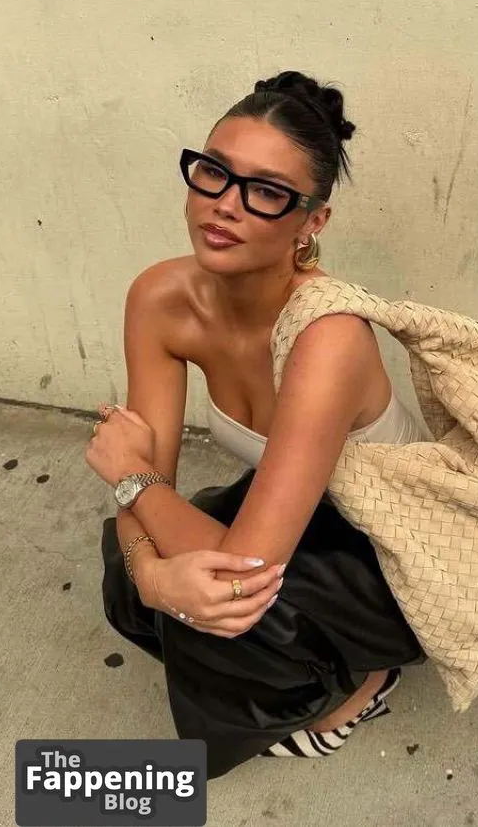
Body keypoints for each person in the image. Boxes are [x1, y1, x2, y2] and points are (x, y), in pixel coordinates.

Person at [88, 71, 427, 776]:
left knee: (228, 611)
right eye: (214, 172)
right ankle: (283, 654)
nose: (225, 204)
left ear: (312, 222)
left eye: (267, 192)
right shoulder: (160, 298)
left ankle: (364, 683)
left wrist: (131, 481)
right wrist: (151, 575)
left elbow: (230, 562)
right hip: (294, 512)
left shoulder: (328, 336)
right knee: (132, 577)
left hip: (394, 547)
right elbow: (150, 481)